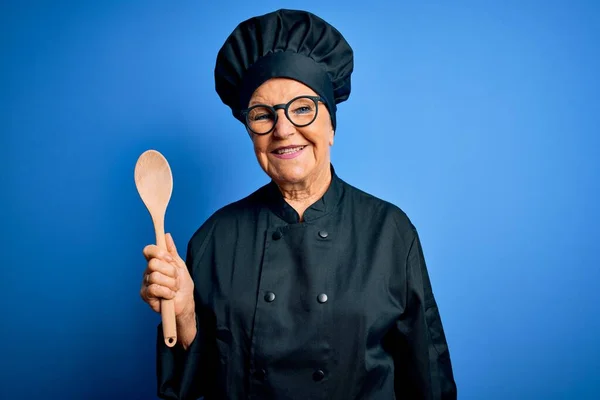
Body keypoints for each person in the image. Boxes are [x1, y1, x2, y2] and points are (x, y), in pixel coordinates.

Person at [140, 8, 457, 400]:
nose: (284, 129)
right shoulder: (213, 240)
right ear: (251, 134)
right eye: (262, 115)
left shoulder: (390, 232)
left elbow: (429, 380)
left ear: (331, 124)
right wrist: (185, 313)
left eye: (302, 108)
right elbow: (197, 387)